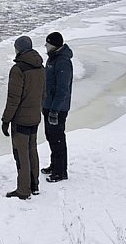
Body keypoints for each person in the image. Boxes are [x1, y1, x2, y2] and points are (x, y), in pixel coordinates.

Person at [1, 35, 45, 200]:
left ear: (19, 49)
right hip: (34, 117)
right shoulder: (40, 67)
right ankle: (34, 185)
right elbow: (43, 94)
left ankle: (23, 190)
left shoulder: (18, 70)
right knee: (32, 150)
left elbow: (13, 99)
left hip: (21, 120)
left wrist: (6, 120)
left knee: (21, 154)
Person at [41, 31, 73, 183]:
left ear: (53, 45)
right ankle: (54, 166)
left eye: (47, 43)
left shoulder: (62, 62)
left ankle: (61, 172)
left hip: (57, 109)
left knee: (58, 138)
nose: (45, 46)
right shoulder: (52, 59)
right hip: (49, 106)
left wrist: (54, 110)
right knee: (51, 137)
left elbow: (63, 89)